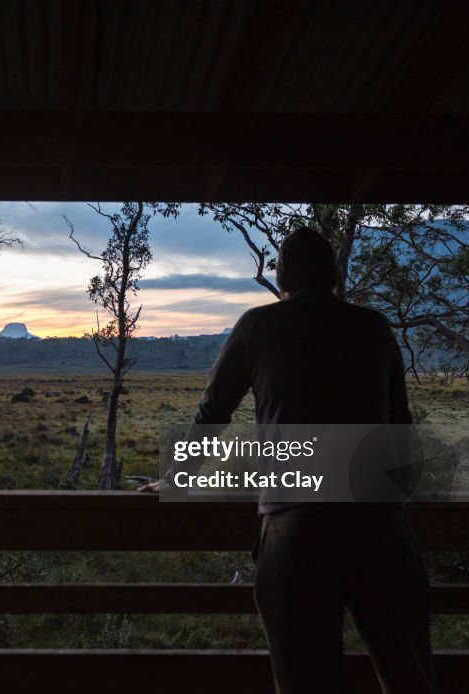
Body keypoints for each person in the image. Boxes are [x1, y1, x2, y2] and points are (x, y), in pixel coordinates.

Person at [140, 227, 438, 693]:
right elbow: (400, 425)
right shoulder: (373, 326)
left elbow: (213, 411)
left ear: (281, 276)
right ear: (334, 276)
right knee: (409, 674)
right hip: (379, 526)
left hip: (295, 527)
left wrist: (176, 477)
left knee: (306, 681)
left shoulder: (257, 326)